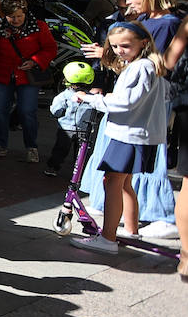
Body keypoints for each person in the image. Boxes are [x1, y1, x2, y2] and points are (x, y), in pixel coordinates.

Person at [68, 20, 169, 254]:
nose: (118, 51)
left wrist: (90, 98)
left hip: (130, 134)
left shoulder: (140, 67)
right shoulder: (146, 65)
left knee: (112, 182)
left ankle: (108, 237)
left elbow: (125, 102)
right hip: (137, 133)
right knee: (124, 184)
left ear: (143, 43)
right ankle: (130, 229)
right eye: (114, 47)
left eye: (124, 46)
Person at [0, 0, 57, 162]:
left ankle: (31, 147)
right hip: (2, 75)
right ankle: (0, 145)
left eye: (19, 16)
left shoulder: (39, 27)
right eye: (12, 17)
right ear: (5, 15)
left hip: (27, 77)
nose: (16, 20)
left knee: (27, 112)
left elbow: (50, 49)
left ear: (25, 13)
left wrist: (35, 61)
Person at [44, 61, 99, 178]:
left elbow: (55, 110)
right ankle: (81, 173)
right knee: (82, 153)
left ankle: (52, 167)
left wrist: (58, 114)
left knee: (60, 150)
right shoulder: (92, 97)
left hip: (66, 129)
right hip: (85, 129)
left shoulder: (64, 95)